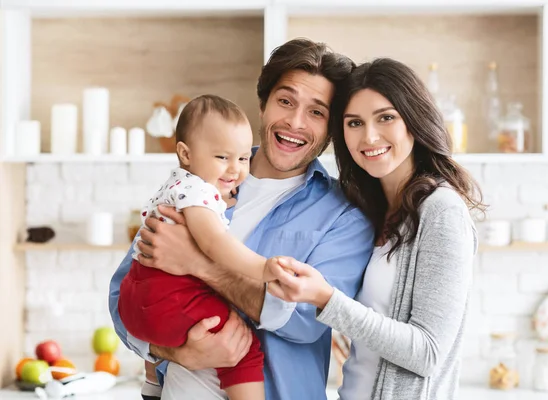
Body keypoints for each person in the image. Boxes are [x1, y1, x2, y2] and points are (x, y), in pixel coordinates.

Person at [108, 38, 374, 400]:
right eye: (285, 101)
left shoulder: (343, 216)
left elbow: (306, 321)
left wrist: (201, 265)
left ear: (331, 128)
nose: (295, 122)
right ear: (263, 105)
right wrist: (174, 353)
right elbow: (123, 295)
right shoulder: (198, 179)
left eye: (316, 112)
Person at [266, 58, 485, 400]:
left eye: (386, 117)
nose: (369, 136)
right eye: (354, 123)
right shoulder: (372, 210)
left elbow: (427, 353)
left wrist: (326, 298)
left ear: (413, 120)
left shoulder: (441, 211)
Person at [119, 94, 295, 400]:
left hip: (134, 301)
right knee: (246, 348)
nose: (236, 169)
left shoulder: (177, 186)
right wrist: (261, 268)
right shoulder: (198, 193)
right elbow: (214, 243)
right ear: (185, 154)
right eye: (222, 157)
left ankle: (152, 382)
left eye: (242, 158)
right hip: (167, 298)